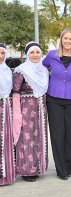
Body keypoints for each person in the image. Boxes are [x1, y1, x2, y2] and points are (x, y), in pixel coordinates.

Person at [42, 29, 71, 180]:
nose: (68, 41)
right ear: (61, 40)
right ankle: (61, 170)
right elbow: (39, 71)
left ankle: (70, 167)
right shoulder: (51, 56)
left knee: (70, 135)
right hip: (53, 99)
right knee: (57, 135)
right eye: (65, 38)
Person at [13, 42, 49, 182]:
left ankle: (38, 167)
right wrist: (17, 113)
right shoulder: (21, 70)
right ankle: (26, 170)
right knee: (26, 137)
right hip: (26, 108)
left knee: (39, 136)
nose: (35, 55)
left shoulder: (44, 71)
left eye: (37, 52)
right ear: (27, 54)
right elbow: (16, 92)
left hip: (40, 107)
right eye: (32, 52)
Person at [0, 43, 15, 186]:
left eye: (2, 53)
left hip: (5, 107)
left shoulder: (8, 71)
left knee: (5, 139)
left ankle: (6, 175)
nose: (0, 56)